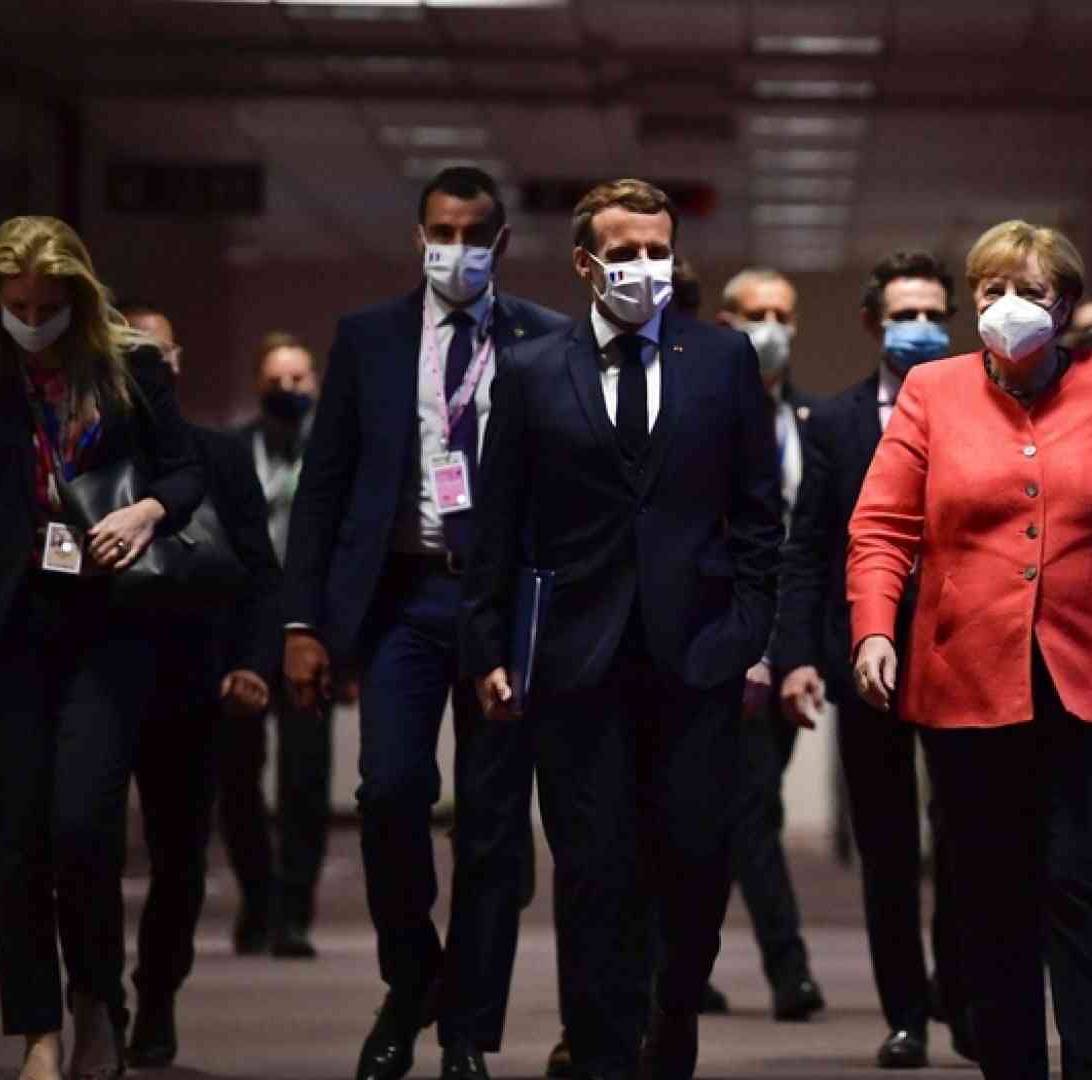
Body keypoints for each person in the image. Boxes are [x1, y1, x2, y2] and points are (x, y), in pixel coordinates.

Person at [847, 220, 1092, 1080]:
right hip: (969, 679)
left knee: (1091, 888)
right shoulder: (932, 391)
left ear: (1064, 306)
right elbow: (881, 526)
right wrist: (873, 628)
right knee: (992, 899)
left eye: (1031, 292)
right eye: (993, 291)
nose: (1009, 306)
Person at [462, 178, 783, 1080]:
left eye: (658, 251)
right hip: (577, 656)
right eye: (625, 252)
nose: (645, 266)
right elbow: (498, 522)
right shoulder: (533, 369)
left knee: (694, 857)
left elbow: (760, 513)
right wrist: (488, 646)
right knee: (593, 869)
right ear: (585, 263)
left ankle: (671, 1015)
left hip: (698, 651)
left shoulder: (722, 359)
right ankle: (603, 1052)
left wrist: (749, 630)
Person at [280, 165, 569, 1080]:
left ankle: (465, 1033)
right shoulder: (369, 339)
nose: (458, 250)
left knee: (492, 825)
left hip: (502, 606)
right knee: (390, 792)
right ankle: (412, 983)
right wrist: (302, 621)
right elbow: (323, 490)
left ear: (501, 242)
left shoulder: (543, 339)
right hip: (403, 598)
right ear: (419, 237)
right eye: (442, 233)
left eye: (475, 235)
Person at [0, 216, 206, 1080]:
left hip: (106, 625)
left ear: (79, 299)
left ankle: (98, 999)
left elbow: (185, 470)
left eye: (48, 307)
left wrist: (147, 512)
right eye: (17, 307)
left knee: (84, 826)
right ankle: (38, 1033)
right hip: (5, 630)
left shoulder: (130, 366)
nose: (33, 321)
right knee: (19, 841)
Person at [774, 248, 974, 1068]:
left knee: (964, 835)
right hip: (868, 656)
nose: (920, 327)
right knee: (886, 844)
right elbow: (809, 548)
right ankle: (905, 1014)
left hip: (965, 654)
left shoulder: (983, 408)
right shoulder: (837, 422)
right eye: (904, 315)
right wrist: (797, 656)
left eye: (932, 313)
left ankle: (960, 988)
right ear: (872, 323)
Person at [114, 303, 282, 1069]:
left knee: (179, 854)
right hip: (100, 672)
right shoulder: (86, 450)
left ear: (176, 364)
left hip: (193, 676)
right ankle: (94, 995)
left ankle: (156, 992)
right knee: (83, 840)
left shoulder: (218, 456)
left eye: (155, 354)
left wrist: (252, 662)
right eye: (127, 352)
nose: (142, 368)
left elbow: (258, 570)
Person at [714, 266, 825, 1021]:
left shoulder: (810, 421)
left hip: (789, 637)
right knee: (749, 806)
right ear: (726, 322)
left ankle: (676, 965)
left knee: (740, 807)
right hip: (717, 635)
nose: (773, 328)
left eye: (784, 314)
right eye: (758, 313)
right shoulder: (703, 411)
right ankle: (789, 969)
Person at [216, 331, 334, 959]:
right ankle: (257, 896)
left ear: (315, 384)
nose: (288, 390)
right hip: (243, 628)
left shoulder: (334, 449)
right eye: (276, 381)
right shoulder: (235, 450)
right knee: (237, 775)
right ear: (258, 388)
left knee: (304, 777)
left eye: (298, 379)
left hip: (310, 629)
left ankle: (294, 913)